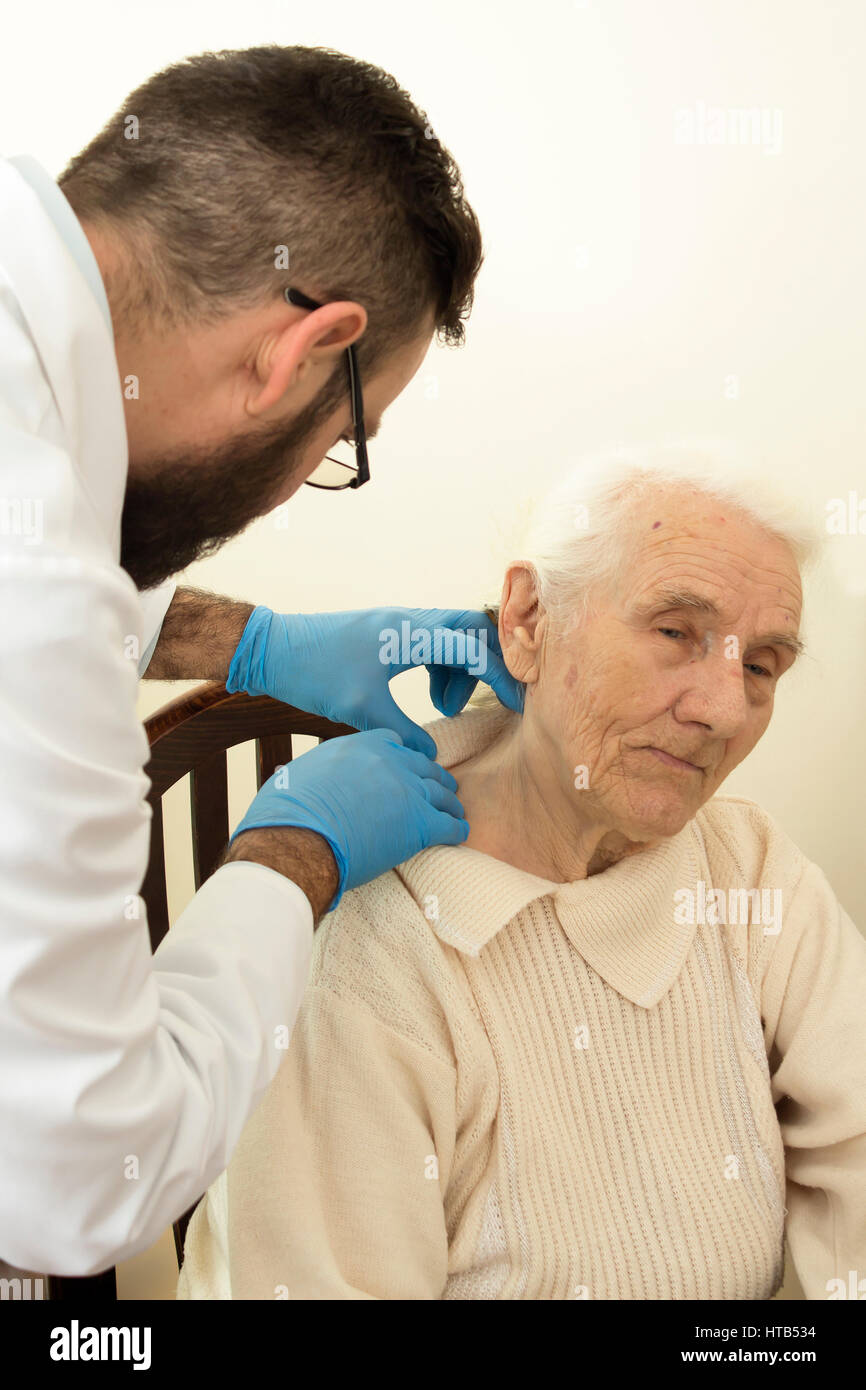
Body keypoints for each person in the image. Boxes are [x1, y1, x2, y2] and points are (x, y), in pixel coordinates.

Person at [0, 44, 521, 1276]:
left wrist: (254, 644)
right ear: (299, 353)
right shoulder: (37, 579)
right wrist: (294, 848)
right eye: (342, 440)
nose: (304, 481)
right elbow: (80, 1182)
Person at [178, 446, 866, 1300]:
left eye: (760, 665)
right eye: (675, 632)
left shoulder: (749, 871)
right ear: (529, 620)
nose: (725, 710)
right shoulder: (365, 947)